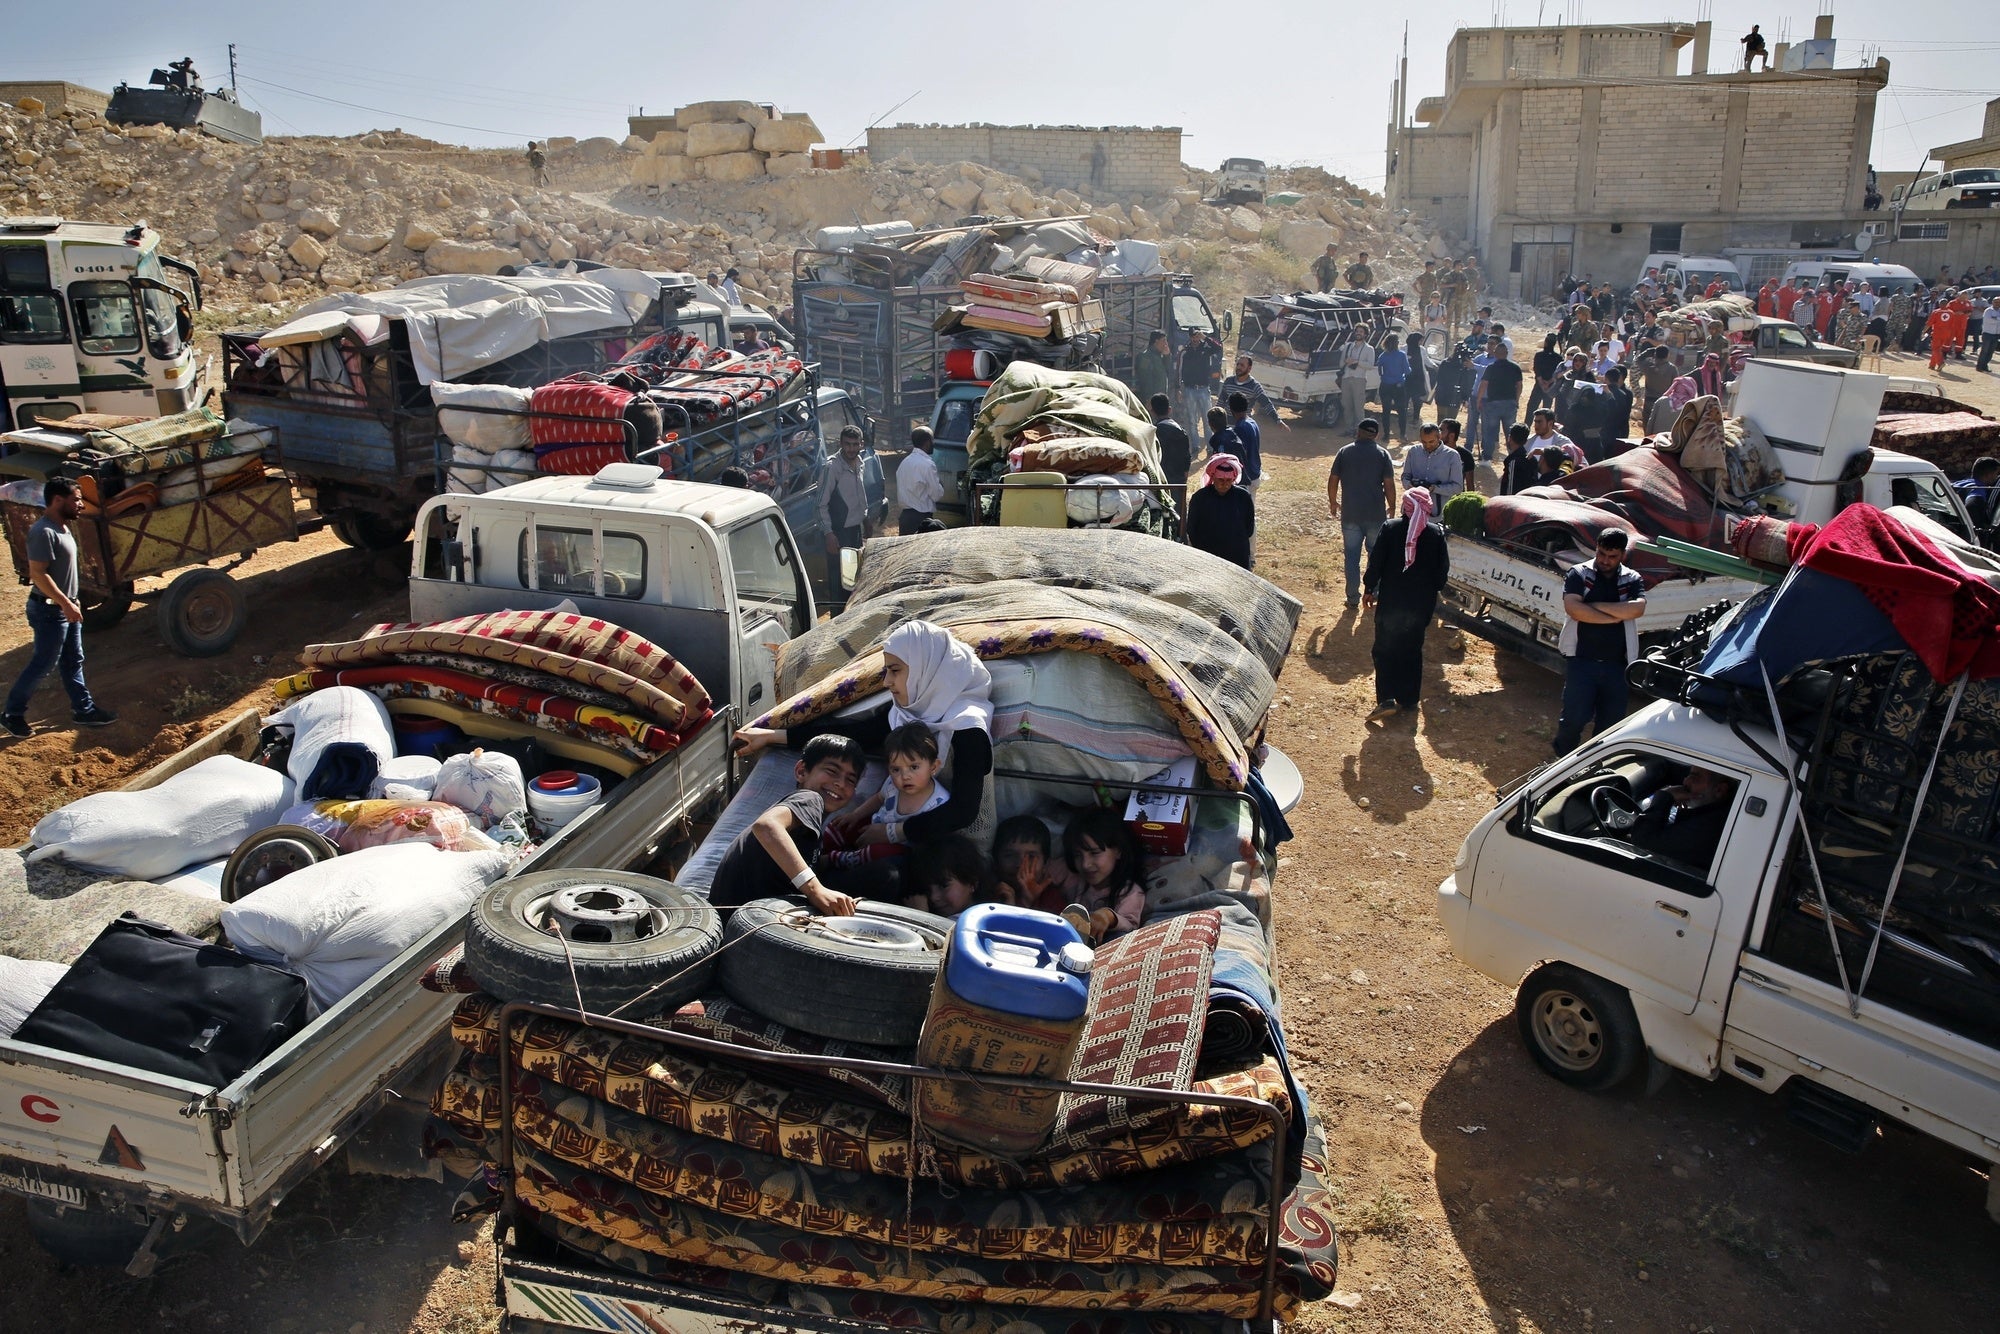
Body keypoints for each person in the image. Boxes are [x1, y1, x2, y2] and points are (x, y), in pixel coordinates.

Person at [736, 619, 998, 847]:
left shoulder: (967, 727)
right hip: (904, 835)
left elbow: (963, 811)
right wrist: (772, 736)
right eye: (887, 671)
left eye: (895, 671)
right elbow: (854, 733)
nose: (887, 682)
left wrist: (892, 833)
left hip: (957, 850)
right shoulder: (906, 713)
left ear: (925, 670)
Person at [5, 478, 118, 737]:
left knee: (73, 661)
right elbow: (38, 574)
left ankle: (84, 710)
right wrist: (65, 603)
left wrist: (73, 601)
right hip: (49, 611)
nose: (80, 504)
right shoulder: (43, 531)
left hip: (65, 608)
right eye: (76, 499)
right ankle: (12, 714)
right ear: (58, 500)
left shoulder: (63, 528)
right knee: (44, 663)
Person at [707, 733, 867, 914]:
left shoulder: (809, 824)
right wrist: (815, 889)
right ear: (801, 771)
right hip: (742, 926)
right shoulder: (810, 799)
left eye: (850, 780)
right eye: (832, 771)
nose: (840, 783)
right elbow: (766, 826)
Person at [1553, 528, 1647, 756]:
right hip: (1582, 662)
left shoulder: (1632, 578)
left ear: (1622, 555)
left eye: (1612, 556)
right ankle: (1559, 762)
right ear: (1596, 548)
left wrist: (1593, 607)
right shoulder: (1579, 573)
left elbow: (1637, 608)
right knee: (1573, 720)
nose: (1605, 560)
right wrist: (1616, 615)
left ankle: (1592, 767)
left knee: (1609, 726)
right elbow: (1574, 609)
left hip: (1617, 666)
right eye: (1602, 553)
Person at [1363, 487, 1450, 723]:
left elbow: (1376, 562)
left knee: (1384, 649)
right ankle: (1409, 699)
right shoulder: (1436, 534)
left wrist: (1369, 588)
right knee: (1412, 650)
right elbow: (1442, 575)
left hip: (1391, 604)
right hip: (1420, 607)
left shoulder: (1390, 528)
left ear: (1405, 506)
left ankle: (1387, 698)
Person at [821, 721, 950, 879]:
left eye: (914, 767)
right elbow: (878, 798)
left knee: (877, 854)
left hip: (899, 852)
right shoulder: (892, 784)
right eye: (896, 769)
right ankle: (823, 859)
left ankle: (837, 860)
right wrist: (855, 815)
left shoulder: (939, 803)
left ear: (934, 766)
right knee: (837, 827)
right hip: (874, 827)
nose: (904, 776)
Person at [1328, 419, 1397, 610]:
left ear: (1358, 432)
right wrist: (1392, 506)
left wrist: (1333, 502)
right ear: (1375, 435)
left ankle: (1352, 598)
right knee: (1375, 556)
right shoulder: (1383, 454)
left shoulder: (1345, 452)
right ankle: (1373, 592)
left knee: (1351, 557)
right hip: (1376, 514)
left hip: (1351, 514)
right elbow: (1389, 484)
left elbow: (1333, 479)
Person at [1058, 807, 1146, 941]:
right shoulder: (1073, 878)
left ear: (1118, 850)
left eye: (1094, 853)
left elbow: (1130, 928)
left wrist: (1108, 916)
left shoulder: (1130, 893)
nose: (1085, 864)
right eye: (1077, 855)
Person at [1631, 766, 1735, 870]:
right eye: (1688, 775)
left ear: (1719, 790)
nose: (1685, 781)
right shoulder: (1717, 815)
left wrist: (1666, 795)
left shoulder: (1710, 825)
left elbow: (1644, 841)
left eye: (1694, 777)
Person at [817, 425, 873, 574]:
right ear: (840, 443)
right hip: (838, 534)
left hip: (855, 531)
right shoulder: (832, 468)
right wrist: (829, 534)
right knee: (841, 582)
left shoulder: (860, 463)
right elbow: (819, 505)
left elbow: (860, 494)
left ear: (861, 444)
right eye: (847, 444)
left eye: (855, 444)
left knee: (855, 577)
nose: (851, 449)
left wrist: (865, 519)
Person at [1186, 453, 1255, 569]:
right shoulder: (1200, 498)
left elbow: (1249, 528)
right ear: (1212, 477)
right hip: (1208, 558)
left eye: (1228, 480)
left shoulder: (1244, 497)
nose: (1225, 484)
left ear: (1234, 478)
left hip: (1237, 557)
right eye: (1220, 479)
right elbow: (1191, 528)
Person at [906, 836, 994, 917]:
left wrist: (920, 916)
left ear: (972, 882)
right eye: (927, 889)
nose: (933, 897)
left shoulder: (984, 920)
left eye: (943, 886)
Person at [1473, 336, 1523, 463]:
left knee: (1490, 431)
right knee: (1511, 432)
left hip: (1493, 404)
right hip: (1510, 404)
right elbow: (1519, 385)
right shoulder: (1515, 367)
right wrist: (1516, 400)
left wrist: (1478, 400)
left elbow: (1483, 384)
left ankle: (1487, 458)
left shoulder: (1491, 367)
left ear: (1495, 353)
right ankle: (1513, 457)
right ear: (1506, 354)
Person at [896, 425, 944, 535]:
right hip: (921, 519)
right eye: (932, 440)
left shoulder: (904, 463)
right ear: (927, 442)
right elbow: (936, 495)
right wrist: (940, 485)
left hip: (905, 518)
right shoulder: (927, 465)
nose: (933, 443)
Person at [1401, 422, 1463, 503]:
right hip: (1414, 507)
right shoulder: (1413, 452)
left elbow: (1457, 487)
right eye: (1424, 442)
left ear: (1439, 437)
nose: (1427, 445)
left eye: (1431, 442)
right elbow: (1405, 476)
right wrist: (1409, 485)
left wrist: (1435, 489)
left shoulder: (1452, 456)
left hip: (1439, 511)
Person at [1220, 355, 1287, 430]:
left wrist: (1278, 420)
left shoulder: (1255, 386)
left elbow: (1266, 404)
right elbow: (1221, 401)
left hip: (1243, 427)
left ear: (1249, 368)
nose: (1238, 367)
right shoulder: (1228, 381)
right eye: (1238, 364)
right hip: (1226, 425)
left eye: (1242, 365)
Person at [1179, 328, 1223, 433]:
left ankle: (1210, 447)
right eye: (1193, 337)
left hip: (1204, 389)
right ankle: (1195, 446)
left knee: (1208, 420)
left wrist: (1205, 338)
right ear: (1190, 337)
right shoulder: (1185, 351)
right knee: (1192, 421)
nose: (1195, 339)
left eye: (1197, 336)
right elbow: (1180, 370)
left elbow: (1218, 348)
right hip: (1189, 389)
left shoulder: (1206, 349)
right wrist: (1179, 387)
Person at [1223, 392, 1265, 492]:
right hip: (1255, 472)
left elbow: (1241, 455)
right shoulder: (1251, 422)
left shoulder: (1241, 427)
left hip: (1247, 477)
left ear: (1231, 409)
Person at [1149, 393, 1191, 490]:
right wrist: (1184, 477)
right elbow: (1186, 457)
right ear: (1169, 410)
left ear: (1152, 412)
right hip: (1178, 481)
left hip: (1160, 481)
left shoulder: (1153, 433)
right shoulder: (1181, 431)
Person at [1376, 335, 1411, 440]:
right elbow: (1407, 371)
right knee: (1401, 411)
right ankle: (1402, 434)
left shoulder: (1382, 356)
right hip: (1398, 386)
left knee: (1385, 411)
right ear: (1397, 343)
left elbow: (1380, 371)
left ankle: (1386, 435)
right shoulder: (1401, 355)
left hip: (1385, 385)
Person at [1953, 456, 2000, 532]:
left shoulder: (1962, 483)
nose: (1996, 477)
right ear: (1989, 474)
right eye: (1996, 474)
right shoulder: (1978, 489)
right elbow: (1971, 505)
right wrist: (1979, 527)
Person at [1433, 346, 1475, 427]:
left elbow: (1438, 378)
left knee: (1443, 422)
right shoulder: (1460, 366)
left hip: (1444, 395)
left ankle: (1441, 437)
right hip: (1451, 396)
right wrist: (1465, 397)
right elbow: (1466, 383)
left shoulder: (1445, 362)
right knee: (1449, 422)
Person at [1339, 334, 1374, 431]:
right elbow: (1341, 362)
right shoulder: (1348, 346)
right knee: (1346, 405)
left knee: (1358, 406)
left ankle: (1359, 430)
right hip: (1346, 377)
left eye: (1361, 331)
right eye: (1357, 331)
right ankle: (1349, 429)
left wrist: (1357, 362)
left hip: (1359, 379)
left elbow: (1370, 365)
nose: (1358, 333)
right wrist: (1347, 361)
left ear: (1365, 333)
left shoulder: (1369, 348)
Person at [1638, 346, 1676, 426]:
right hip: (1664, 401)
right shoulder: (1672, 369)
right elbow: (1675, 385)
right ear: (1668, 355)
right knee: (1661, 425)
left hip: (1649, 400)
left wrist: (1649, 350)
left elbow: (1638, 359)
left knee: (1647, 424)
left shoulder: (1648, 366)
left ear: (1655, 355)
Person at [1528, 332, 1563, 416]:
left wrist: (1542, 383)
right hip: (1550, 386)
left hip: (1539, 385)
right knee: (1546, 411)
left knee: (1531, 407)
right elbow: (1557, 373)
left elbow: (1537, 370)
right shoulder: (1558, 358)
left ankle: (1527, 426)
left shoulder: (1539, 355)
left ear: (1546, 342)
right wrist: (1548, 383)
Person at [1498, 423, 1539, 495]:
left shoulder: (1513, 462)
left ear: (1509, 438)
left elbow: (1510, 489)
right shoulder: (1532, 459)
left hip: (1515, 502)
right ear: (1526, 441)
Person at [1135, 330, 1174, 405]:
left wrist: (1167, 356)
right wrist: (1148, 397)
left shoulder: (1160, 356)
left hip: (1162, 396)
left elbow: (1168, 369)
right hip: (1152, 399)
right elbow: (1144, 378)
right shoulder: (1145, 357)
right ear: (1156, 341)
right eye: (1163, 341)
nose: (1166, 344)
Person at [1440, 418, 1475, 493]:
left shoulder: (1466, 456)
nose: (1438, 434)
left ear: (1451, 436)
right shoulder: (1433, 452)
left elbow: (1470, 485)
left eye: (1441, 431)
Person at [1979, 300, 2000, 373]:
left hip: (1996, 334)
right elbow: (1989, 320)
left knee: (1991, 351)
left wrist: (1995, 318)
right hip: (1988, 333)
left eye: (1999, 302)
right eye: (1996, 302)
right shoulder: (1988, 310)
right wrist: (1997, 319)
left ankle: (1985, 365)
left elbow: (1995, 319)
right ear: (1993, 302)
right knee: (1984, 351)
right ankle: (1980, 366)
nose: (1997, 304)